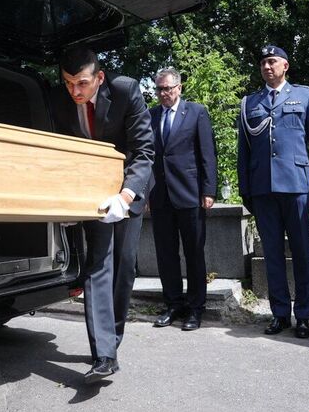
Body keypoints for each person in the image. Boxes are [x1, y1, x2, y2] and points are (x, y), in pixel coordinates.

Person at [51, 46, 154, 383]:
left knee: (123, 267)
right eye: (68, 84)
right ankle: (104, 354)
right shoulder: (61, 100)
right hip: (91, 195)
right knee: (97, 266)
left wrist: (125, 196)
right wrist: (64, 203)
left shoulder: (126, 90)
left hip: (127, 191)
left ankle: (114, 337)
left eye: (81, 83)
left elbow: (143, 150)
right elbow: (61, 155)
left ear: (99, 77)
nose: (74, 92)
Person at [237, 45, 309, 338]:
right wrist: (245, 188)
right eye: (263, 62)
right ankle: (279, 314)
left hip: (297, 186)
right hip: (263, 188)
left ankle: (303, 315)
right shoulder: (250, 102)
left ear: (285, 66)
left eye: (272, 61)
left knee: (302, 253)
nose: (267, 66)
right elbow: (244, 151)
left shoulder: (304, 95)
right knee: (272, 255)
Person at [148, 67, 217, 331]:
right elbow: (147, 155)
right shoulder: (151, 115)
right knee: (166, 254)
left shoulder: (196, 112)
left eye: (168, 88)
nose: (163, 94)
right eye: (159, 89)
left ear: (179, 88)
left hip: (190, 194)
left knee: (194, 253)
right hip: (160, 195)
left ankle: (196, 308)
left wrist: (208, 190)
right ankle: (173, 304)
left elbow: (207, 154)